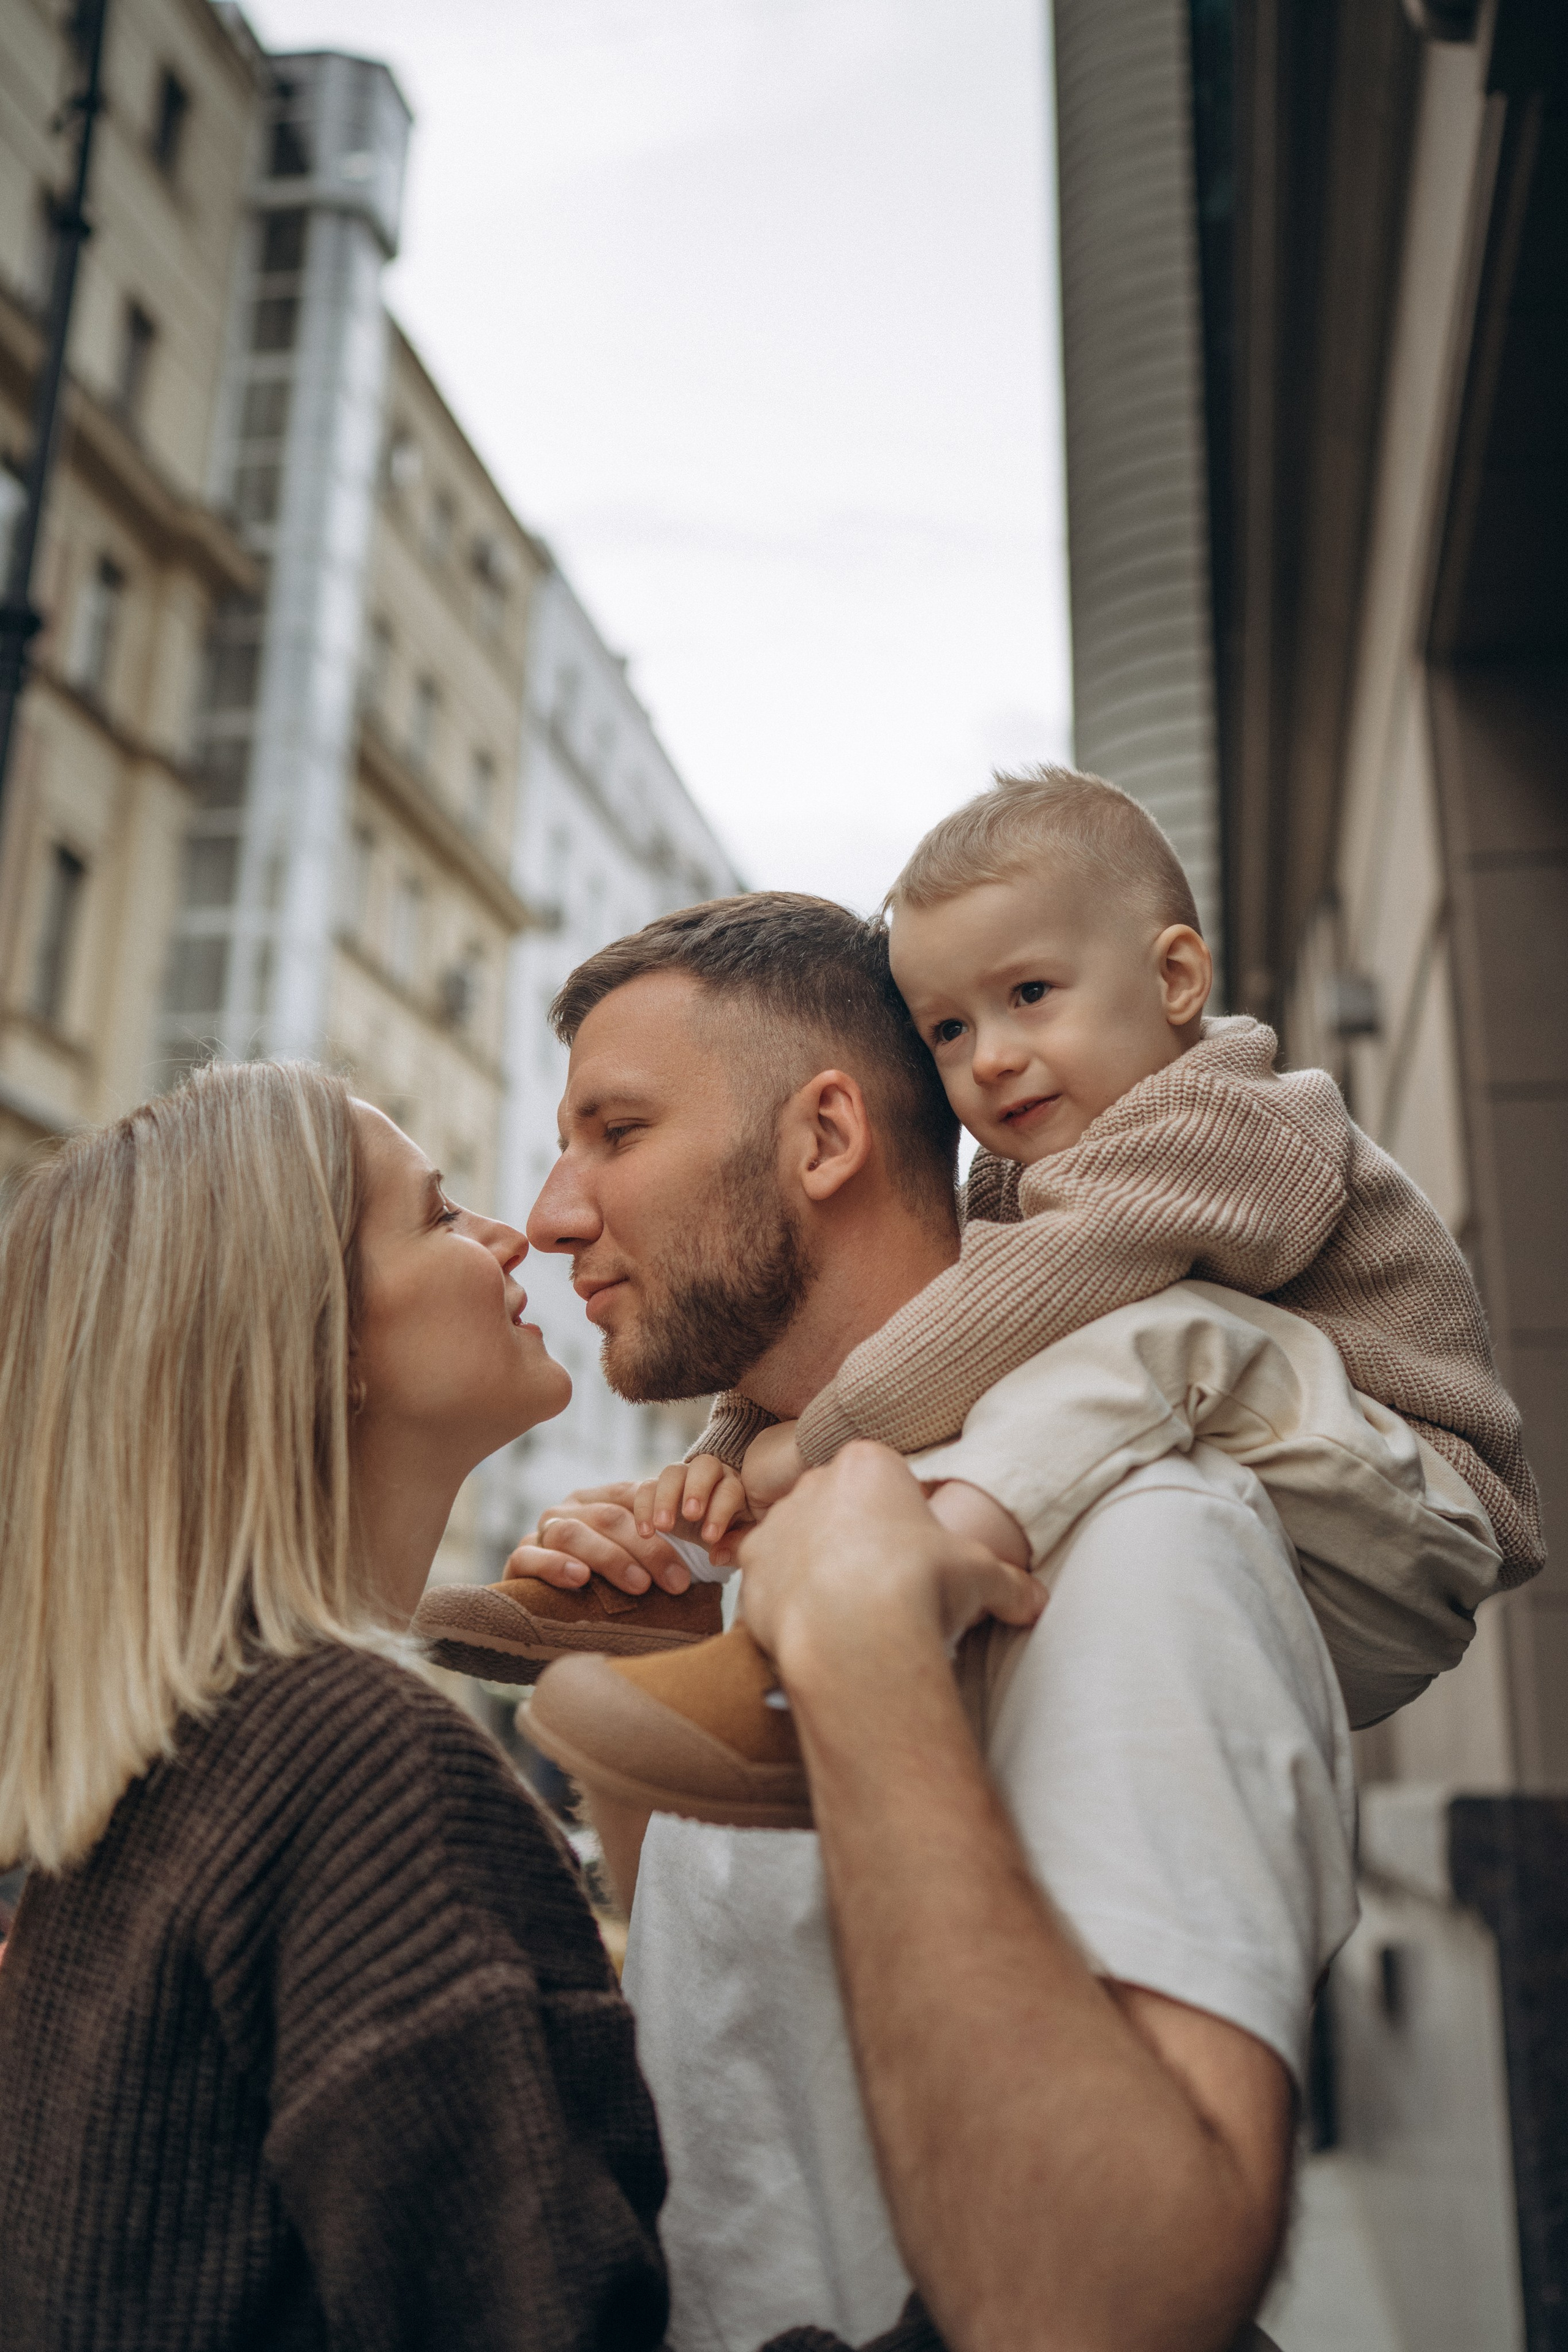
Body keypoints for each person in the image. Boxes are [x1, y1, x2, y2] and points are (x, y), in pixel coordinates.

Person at [426, 894, 1422, 2348]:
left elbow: (1114, 2315)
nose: (556, 1211)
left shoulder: (1131, 1540)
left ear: (824, 1140)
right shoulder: (797, 1537)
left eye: (616, 1134)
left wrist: (863, 1668)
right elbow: (744, 2052)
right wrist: (648, 1681)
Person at [0, 1063, 675, 2350]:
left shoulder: (184, 1756)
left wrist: (638, 1700)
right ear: (326, 1342)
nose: (512, 1234)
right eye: (435, 1216)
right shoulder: (349, 1761)